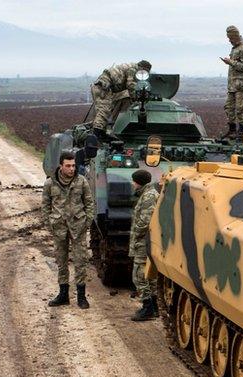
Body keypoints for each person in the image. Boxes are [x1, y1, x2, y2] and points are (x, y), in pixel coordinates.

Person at [42, 151, 95, 309]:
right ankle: (63, 294)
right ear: (61, 166)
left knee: (80, 262)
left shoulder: (81, 181)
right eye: (68, 166)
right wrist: (49, 223)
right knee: (61, 262)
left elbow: (89, 203)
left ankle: (81, 296)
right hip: (59, 228)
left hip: (78, 227)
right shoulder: (50, 183)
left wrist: (87, 222)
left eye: (73, 165)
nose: (72, 169)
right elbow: (45, 206)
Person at [90, 60, 151, 139]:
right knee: (104, 111)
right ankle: (96, 135)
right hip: (103, 87)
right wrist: (135, 100)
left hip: (105, 87)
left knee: (104, 110)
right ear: (143, 68)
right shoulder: (133, 69)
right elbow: (131, 85)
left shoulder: (132, 67)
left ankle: (101, 133)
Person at [129, 169, 160, 321]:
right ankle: (154, 307)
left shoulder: (148, 196)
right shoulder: (150, 193)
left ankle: (147, 308)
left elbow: (145, 221)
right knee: (150, 277)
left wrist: (135, 232)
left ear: (138, 182)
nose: (132, 184)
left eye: (133, 181)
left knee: (139, 276)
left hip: (143, 241)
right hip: (148, 241)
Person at [220, 25, 243, 139]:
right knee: (229, 107)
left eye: (230, 38)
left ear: (235, 36)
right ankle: (232, 130)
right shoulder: (235, 49)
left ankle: (242, 131)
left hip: (241, 85)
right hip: (233, 86)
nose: (229, 40)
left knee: (240, 109)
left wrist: (231, 62)